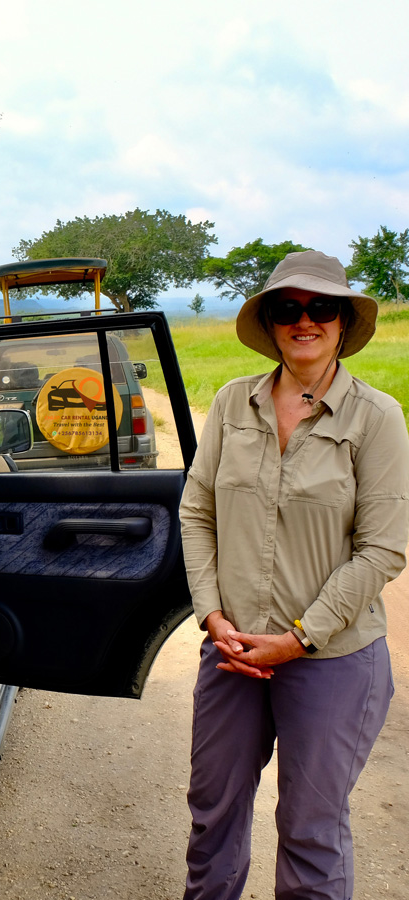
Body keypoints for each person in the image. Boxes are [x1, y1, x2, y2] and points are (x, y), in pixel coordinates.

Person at [179, 250, 409, 900]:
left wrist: (300, 638)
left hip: (331, 659)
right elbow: (197, 512)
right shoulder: (231, 405)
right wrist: (213, 616)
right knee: (212, 818)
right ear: (271, 322)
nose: (303, 321)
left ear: (342, 321)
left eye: (320, 308)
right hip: (232, 651)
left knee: (311, 831)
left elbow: (383, 550)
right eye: (288, 309)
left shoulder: (377, 418)